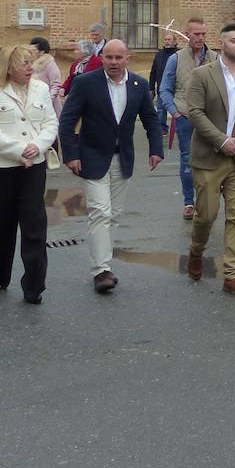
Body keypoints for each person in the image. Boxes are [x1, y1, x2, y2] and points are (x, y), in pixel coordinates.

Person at [58, 39, 163, 294]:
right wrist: (71, 154)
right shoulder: (85, 83)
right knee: (100, 212)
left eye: (118, 58)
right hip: (92, 156)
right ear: (101, 58)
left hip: (123, 159)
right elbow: (67, 120)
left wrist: (156, 149)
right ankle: (101, 270)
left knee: (113, 215)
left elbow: (150, 118)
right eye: (109, 57)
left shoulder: (139, 85)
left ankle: (104, 262)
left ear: (128, 58)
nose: (113, 62)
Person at [185, 24, 235, 296]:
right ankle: (196, 251)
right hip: (209, 156)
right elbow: (195, 112)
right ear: (221, 44)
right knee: (206, 215)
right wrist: (222, 140)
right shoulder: (202, 75)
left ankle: (231, 274)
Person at [0, 44, 58, 303]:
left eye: (32, 63)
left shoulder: (41, 89)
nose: (30, 68)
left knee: (34, 225)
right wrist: (20, 150)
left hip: (33, 168)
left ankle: (34, 286)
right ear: (9, 67)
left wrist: (39, 146)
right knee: (0, 225)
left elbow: (50, 122)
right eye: (24, 64)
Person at [159, 17, 215, 221]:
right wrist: (174, 112)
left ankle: (205, 201)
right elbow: (164, 89)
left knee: (210, 160)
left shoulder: (215, 58)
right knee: (187, 160)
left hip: (210, 119)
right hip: (184, 116)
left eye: (203, 34)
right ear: (187, 34)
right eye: (196, 34)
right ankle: (189, 202)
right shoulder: (175, 58)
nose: (200, 38)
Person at [148, 30, 179, 131]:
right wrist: (151, 87)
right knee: (161, 110)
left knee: (178, 109)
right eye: (165, 40)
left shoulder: (179, 54)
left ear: (174, 41)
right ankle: (162, 129)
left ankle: (179, 128)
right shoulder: (159, 54)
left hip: (176, 87)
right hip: (162, 87)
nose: (167, 41)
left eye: (169, 39)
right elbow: (153, 71)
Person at [28, 37, 65, 111]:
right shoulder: (30, 63)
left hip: (46, 103)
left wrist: (49, 100)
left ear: (42, 52)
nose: (31, 52)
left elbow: (56, 83)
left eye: (34, 50)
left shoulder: (49, 63)